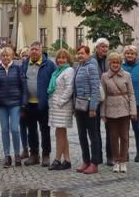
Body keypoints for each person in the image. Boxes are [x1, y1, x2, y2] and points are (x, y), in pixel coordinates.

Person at [102, 52, 137, 174]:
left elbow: (131, 93)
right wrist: (103, 113)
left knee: (124, 136)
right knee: (113, 137)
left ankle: (123, 161)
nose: (115, 64)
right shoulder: (105, 76)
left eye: (117, 62)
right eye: (113, 62)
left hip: (124, 109)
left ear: (120, 63)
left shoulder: (127, 75)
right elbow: (103, 96)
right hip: (111, 110)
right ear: (109, 63)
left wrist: (133, 110)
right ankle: (116, 161)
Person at [0, 46, 25, 168]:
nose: (5, 57)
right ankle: (7, 155)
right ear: (1, 57)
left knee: (15, 129)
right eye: (3, 56)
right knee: (4, 130)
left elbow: (23, 85)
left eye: (8, 55)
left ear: (12, 56)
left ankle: (16, 154)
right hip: (1, 104)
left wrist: (23, 102)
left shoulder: (17, 68)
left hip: (15, 103)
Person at [20, 41, 54, 166]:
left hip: (43, 103)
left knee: (45, 130)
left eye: (36, 49)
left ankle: (46, 154)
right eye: (32, 49)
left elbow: (54, 83)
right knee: (31, 130)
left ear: (41, 51)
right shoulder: (24, 64)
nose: (34, 51)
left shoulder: (49, 64)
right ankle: (34, 154)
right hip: (29, 103)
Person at [72, 45, 102, 175]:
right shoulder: (78, 66)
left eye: (82, 53)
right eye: (78, 53)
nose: (80, 55)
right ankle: (86, 160)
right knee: (81, 135)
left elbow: (95, 88)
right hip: (79, 105)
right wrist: (74, 106)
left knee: (93, 135)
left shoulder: (92, 67)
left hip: (89, 106)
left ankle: (94, 163)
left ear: (88, 54)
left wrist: (93, 107)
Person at [47, 48, 75, 171]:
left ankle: (57, 159)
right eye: (59, 58)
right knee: (60, 133)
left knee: (61, 133)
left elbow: (69, 88)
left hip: (62, 106)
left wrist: (60, 101)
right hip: (56, 107)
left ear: (68, 59)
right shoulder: (57, 72)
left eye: (64, 58)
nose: (61, 60)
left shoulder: (69, 71)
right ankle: (67, 159)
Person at [121, 45, 139, 162]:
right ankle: (124, 151)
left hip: (136, 103)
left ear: (136, 55)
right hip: (123, 102)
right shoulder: (121, 67)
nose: (129, 55)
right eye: (127, 53)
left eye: (132, 53)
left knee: (136, 127)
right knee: (124, 129)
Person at [93, 37, 112, 165]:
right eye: (102, 46)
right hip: (95, 98)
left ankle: (110, 156)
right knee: (95, 129)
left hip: (109, 98)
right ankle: (97, 156)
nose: (104, 49)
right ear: (97, 48)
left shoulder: (111, 60)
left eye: (106, 47)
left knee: (110, 129)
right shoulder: (91, 60)